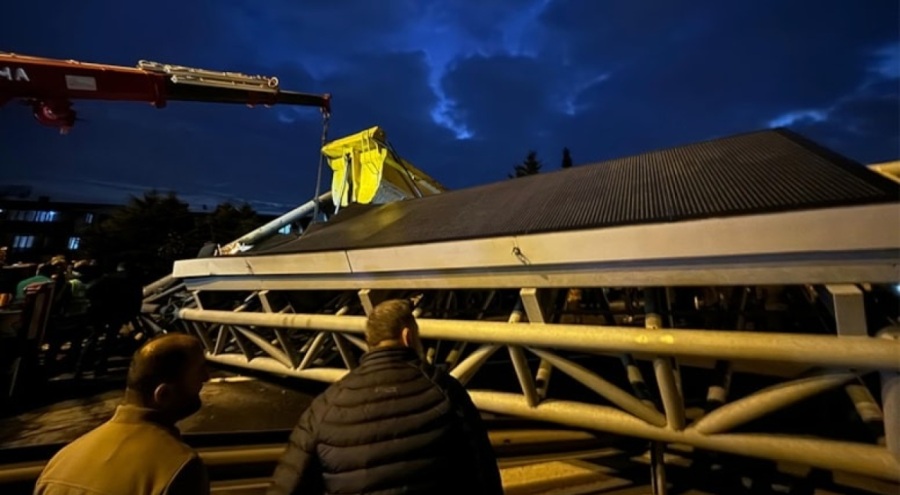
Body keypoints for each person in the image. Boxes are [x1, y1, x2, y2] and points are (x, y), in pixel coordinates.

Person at [268, 299, 503, 495]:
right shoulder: (444, 390)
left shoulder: (326, 404)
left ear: (370, 341)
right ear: (407, 335)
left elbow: (289, 484)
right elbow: (482, 473)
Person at [34, 333, 211, 495]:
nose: (206, 377)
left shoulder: (61, 461)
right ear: (163, 394)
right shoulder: (179, 468)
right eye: (199, 371)